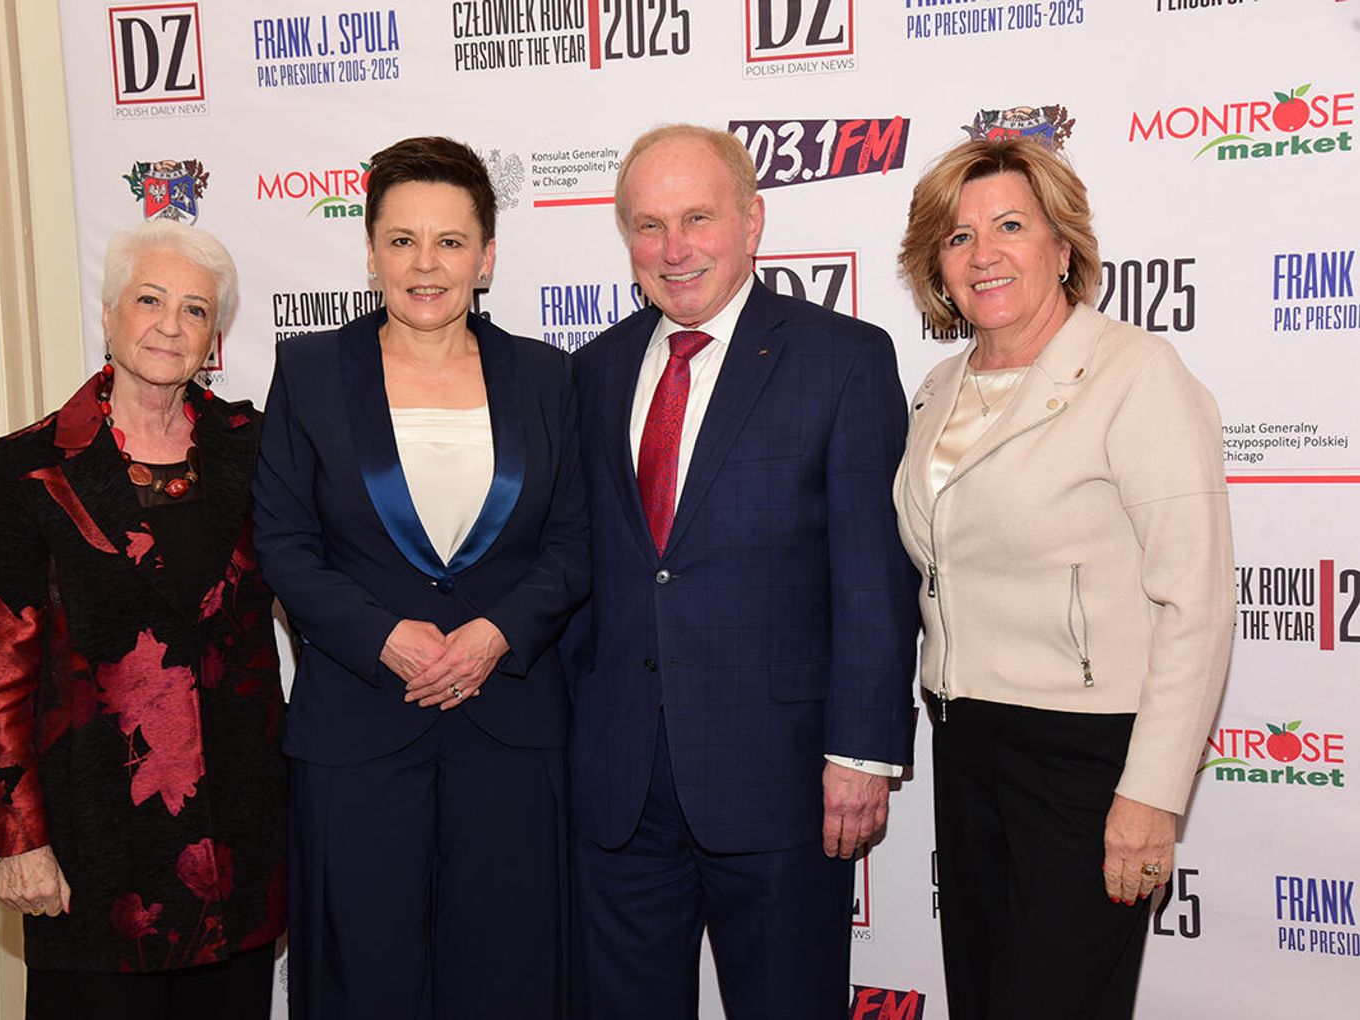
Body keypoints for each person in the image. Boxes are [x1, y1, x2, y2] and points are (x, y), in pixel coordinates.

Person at [566, 124, 920, 1019]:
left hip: (783, 783)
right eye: (649, 225)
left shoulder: (843, 359)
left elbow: (874, 580)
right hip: (618, 788)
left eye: (697, 218)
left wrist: (861, 753)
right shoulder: (592, 372)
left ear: (752, 221)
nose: (673, 249)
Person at [893, 137, 1234, 1019]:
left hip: (1087, 760)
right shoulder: (938, 387)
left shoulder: (1135, 374)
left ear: (1063, 245)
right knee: (983, 998)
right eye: (959, 236)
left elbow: (1196, 603)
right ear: (938, 266)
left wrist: (1152, 796)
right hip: (965, 743)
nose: (984, 253)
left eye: (1011, 225)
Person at [252, 135, 589, 1020]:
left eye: (450, 241)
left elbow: (573, 544)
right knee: (365, 982)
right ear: (370, 254)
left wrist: (497, 634)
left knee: (509, 980)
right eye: (402, 240)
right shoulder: (309, 373)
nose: (425, 264)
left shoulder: (548, 376)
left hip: (510, 728)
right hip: (358, 727)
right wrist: (381, 637)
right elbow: (283, 542)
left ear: (487, 257)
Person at [0, 220, 286, 1019]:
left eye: (195, 309)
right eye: (149, 300)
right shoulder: (30, 467)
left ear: (214, 338)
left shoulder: (256, 450)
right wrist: (19, 838)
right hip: (93, 850)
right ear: (108, 315)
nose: (170, 324)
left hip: (235, 844)